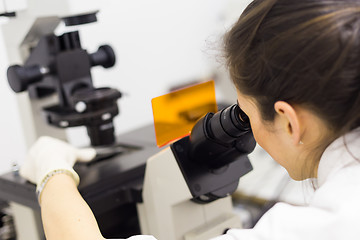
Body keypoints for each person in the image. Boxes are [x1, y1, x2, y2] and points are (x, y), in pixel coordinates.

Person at [19, 0, 360, 239]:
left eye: (246, 113)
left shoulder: (320, 228)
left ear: (288, 121)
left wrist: (52, 173)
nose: (244, 124)